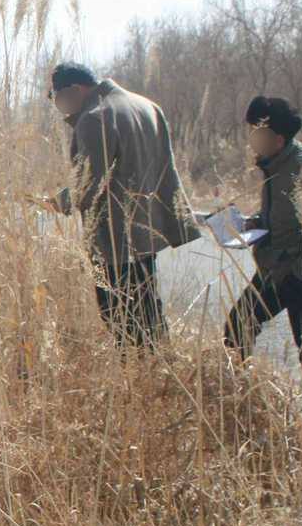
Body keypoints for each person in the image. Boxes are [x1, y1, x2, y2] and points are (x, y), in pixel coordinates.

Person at [47, 63, 201, 346]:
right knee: (149, 308)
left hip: (114, 238)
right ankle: (160, 367)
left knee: (120, 317)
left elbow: (89, 182)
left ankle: (140, 375)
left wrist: (58, 203)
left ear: (74, 90)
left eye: (56, 98)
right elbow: (167, 169)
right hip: (147, 231)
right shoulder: (147, 106)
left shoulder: (94, 117)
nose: (60, 107)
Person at [224, 96, 302, 401]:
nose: (251, 139)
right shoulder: (275, 164)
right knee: (237, 328)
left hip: (298, 275)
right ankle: (241, 399)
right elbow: (282, 219)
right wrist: (249, 225)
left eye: (256, 132)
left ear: (276, 138)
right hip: (272, 269)